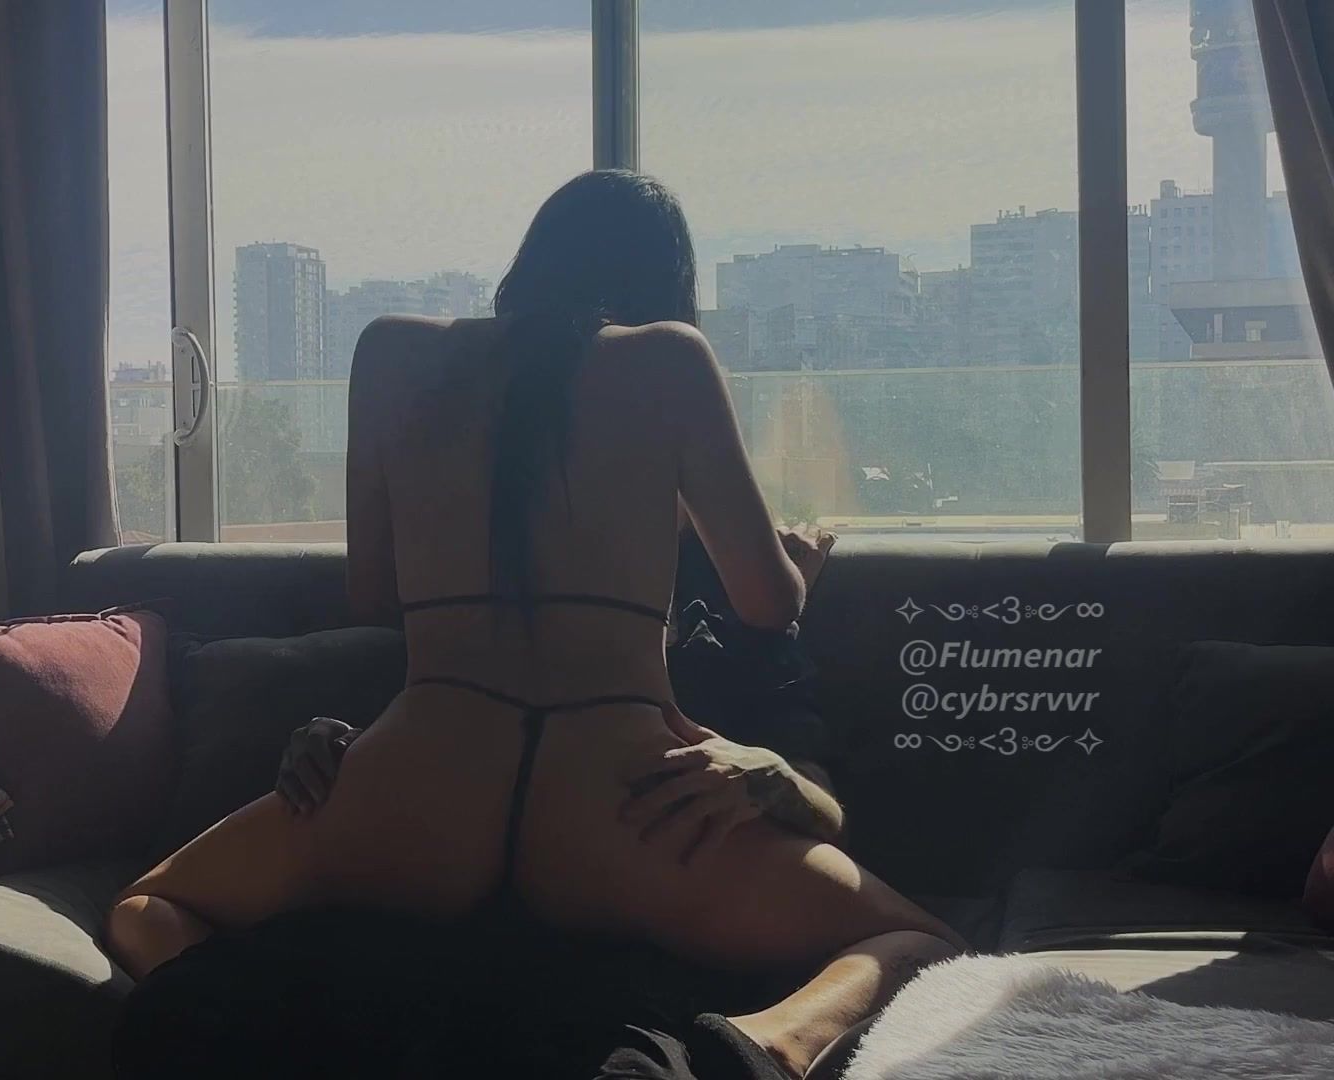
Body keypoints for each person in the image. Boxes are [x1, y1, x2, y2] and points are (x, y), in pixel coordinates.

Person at [107, 170, 962, 1078]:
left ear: (531, 260)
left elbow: (373, 593)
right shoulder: (669, 359)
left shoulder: (388, 351)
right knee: (920, 945)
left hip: (421, 778)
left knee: (146, 907)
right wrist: (793, 568)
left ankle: (281, 1038)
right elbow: (768, 603)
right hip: (621, 803)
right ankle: (761, 1047)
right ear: (666, 283)